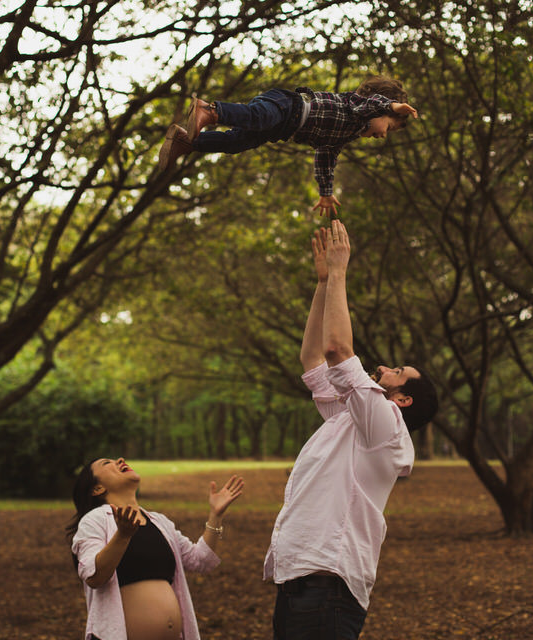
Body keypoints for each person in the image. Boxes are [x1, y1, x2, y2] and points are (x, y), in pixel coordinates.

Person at [265, 220, 438, 640]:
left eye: (397, 371)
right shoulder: (351, 419)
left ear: (403, 399)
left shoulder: (386, 426)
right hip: (300, 577)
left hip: (330, 583)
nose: (386, 366)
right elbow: (313, 360)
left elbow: (337, 350)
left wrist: (341, 272)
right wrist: (323, 283)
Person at [157, 75, 419, 217]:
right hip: (287, 105)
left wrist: (326, 192)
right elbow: (369, 105)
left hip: (281, 128)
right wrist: (391, 106)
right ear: (381, 105)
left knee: (236, 143)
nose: (383, 135)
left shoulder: (347, 134)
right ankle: (210, 111)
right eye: (390, 127)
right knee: (256, 116)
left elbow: (326, 157)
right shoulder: (357, 105)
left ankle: (186, 141)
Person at [66, 457, 244, 640]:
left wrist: (215, 515)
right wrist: (123, 536)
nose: (120, 459)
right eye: (106, 463)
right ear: (97, 488)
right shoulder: (95, 520)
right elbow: (93, 576)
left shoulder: (160, 523)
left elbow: (201, 561)